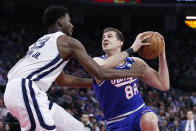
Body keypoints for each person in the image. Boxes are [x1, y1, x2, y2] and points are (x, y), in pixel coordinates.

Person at [3, 6, 148, 131]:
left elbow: (62, 80)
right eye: (69, 20)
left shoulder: (43, 42)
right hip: (25, 89)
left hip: (24, 92)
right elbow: (100, 71)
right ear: (60, 21)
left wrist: (93, 83)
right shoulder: (68, 41)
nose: (72, 25)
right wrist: (133, 72)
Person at [92, 27, 169, 131]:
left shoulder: (134, 62)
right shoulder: (97, 61)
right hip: (116, 122)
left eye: (109, 36)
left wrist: (161, 54)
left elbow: (163, 84)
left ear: (120, 43)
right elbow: (102, 69)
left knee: (149, 120)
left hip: (139, 112)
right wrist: (132, 48)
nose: (105, 39)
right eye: (103, 37)